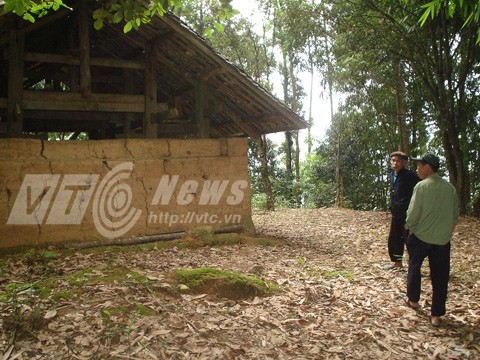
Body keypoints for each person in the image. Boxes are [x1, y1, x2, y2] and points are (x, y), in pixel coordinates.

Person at [404, 152, 459, 327]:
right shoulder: (449, 188)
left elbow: (412, 214)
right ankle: (436, 316)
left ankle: (413, 301)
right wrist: (446, 233)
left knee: (414, 267)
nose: (417, 169)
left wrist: (409, 229)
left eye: (419, 165)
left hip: (420, 237)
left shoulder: (421, 187)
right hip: (442, 241)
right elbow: (455, 216)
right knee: (440, 277)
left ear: (428, 167)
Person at [385, 151, 418, 269]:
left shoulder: (410, 176)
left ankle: (414, 266)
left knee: (409, 239)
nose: (395, 163)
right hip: (396, 212)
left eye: (398, 161)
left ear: (403, 162)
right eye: (393, 160)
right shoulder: (392, 175)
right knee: (395, 238)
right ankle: (397, 263)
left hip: (407, 213)